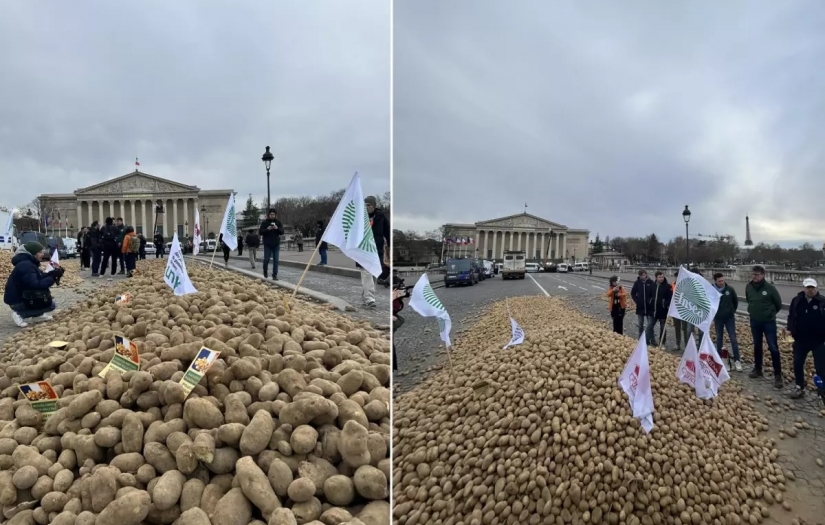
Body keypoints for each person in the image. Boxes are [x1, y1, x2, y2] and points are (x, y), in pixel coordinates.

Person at [3, 242, 63, 327]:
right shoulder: (25, 265)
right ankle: (19, 314)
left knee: (50, 303)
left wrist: (53, 273)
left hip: (23, 295)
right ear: (32, 253)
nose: (42, 254)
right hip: (16, 300)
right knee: (51, 305)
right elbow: (36, 284)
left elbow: (40, 277)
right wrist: (53, 278)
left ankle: (37, 316)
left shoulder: (30, 263)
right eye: (40, 252)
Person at [745, 265, 784, 388]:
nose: (754, 276)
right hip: (755, 321)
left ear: (763, 275)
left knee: (773, 347)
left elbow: (778, 304)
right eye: (753, 274)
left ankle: (777, 375)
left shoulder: (770, 288)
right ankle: (758, 369)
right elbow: (748, 300)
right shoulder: (749, 287)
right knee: (757, 345)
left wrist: (770, 313)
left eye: (756, 274)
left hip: (769, 322)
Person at [787, 278, 825, 400]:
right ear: (804, 288)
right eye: (808, 288)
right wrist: (789, 330)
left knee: (820, 367)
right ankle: (799, 386)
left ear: (816, 288)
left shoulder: (822, 302)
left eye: (813, 288)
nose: (810, 290)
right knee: (798, 363)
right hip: (800, 340)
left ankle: (822, 391)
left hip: (818, 341)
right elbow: (791, 316)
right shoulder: (797, 300)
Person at [713, 272, 742, 372]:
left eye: (722, 280)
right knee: (719, 338)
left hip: (729, 318)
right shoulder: (712, 290)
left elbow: (735, 302)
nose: (721, 282)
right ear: (715, 281)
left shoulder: (730, 289)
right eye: (719, 281)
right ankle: (719, 358)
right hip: (718, 318)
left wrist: (731, 311)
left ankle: (737, 360)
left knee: (733, 338)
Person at [365, 196, 391, 285]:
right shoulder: (360, 217)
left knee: (374, 271)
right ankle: (368, 296)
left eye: (369, 205)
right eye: (365, 205)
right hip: (364, 249)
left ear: (374, 206)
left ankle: (369, 294)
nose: (367, 207)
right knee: (366, 273)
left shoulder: (381, 217)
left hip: (377, 248)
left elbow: (387, 232)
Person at [630, 269, 655, 344]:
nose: (643, 276)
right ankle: (641, 338)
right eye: (641, 275)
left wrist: (651, 301)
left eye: (644, 275)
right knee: (640, 324)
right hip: (640, 307)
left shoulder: (651, 282)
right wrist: (637, 300)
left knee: (650, 325)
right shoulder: (637, 283)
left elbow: (653, 293)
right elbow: (633, 293)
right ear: (639, 276)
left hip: (649, 307)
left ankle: (651, 339)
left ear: (646, 274)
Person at [258, 209, 284, 280]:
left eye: (273, 215)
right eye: (271, 214)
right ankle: (265, 270)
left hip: (276, 244)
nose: (272, 216)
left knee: (276, 260)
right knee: (266, 259)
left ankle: (274, 275)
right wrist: (267, 229)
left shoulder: (278, 222)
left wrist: (277, 228)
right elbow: (260, 232)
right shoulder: (265, 222)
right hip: (267, 244)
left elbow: (282, 232)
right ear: (268, 215)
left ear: (275, 215)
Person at [651, 271, 672, 348]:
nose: (661, 278)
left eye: (662, 277)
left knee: (663, 328)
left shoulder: (667, 286)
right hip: (654, 311)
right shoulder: (653, 285)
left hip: (663, 311)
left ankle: (662, 343)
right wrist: (650, 302)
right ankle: (651, 340)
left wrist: (665, 304)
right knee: (650, 326)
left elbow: (670, 298)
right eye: (659, 277)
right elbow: (650, 295)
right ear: (656, 277)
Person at [671, 271, 689, 350]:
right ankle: (678, 344)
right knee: (677, 328)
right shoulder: (673, 284)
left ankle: (686, 345)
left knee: (685, 329)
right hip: (675, 310)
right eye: (676, 277)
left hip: (684, 311)